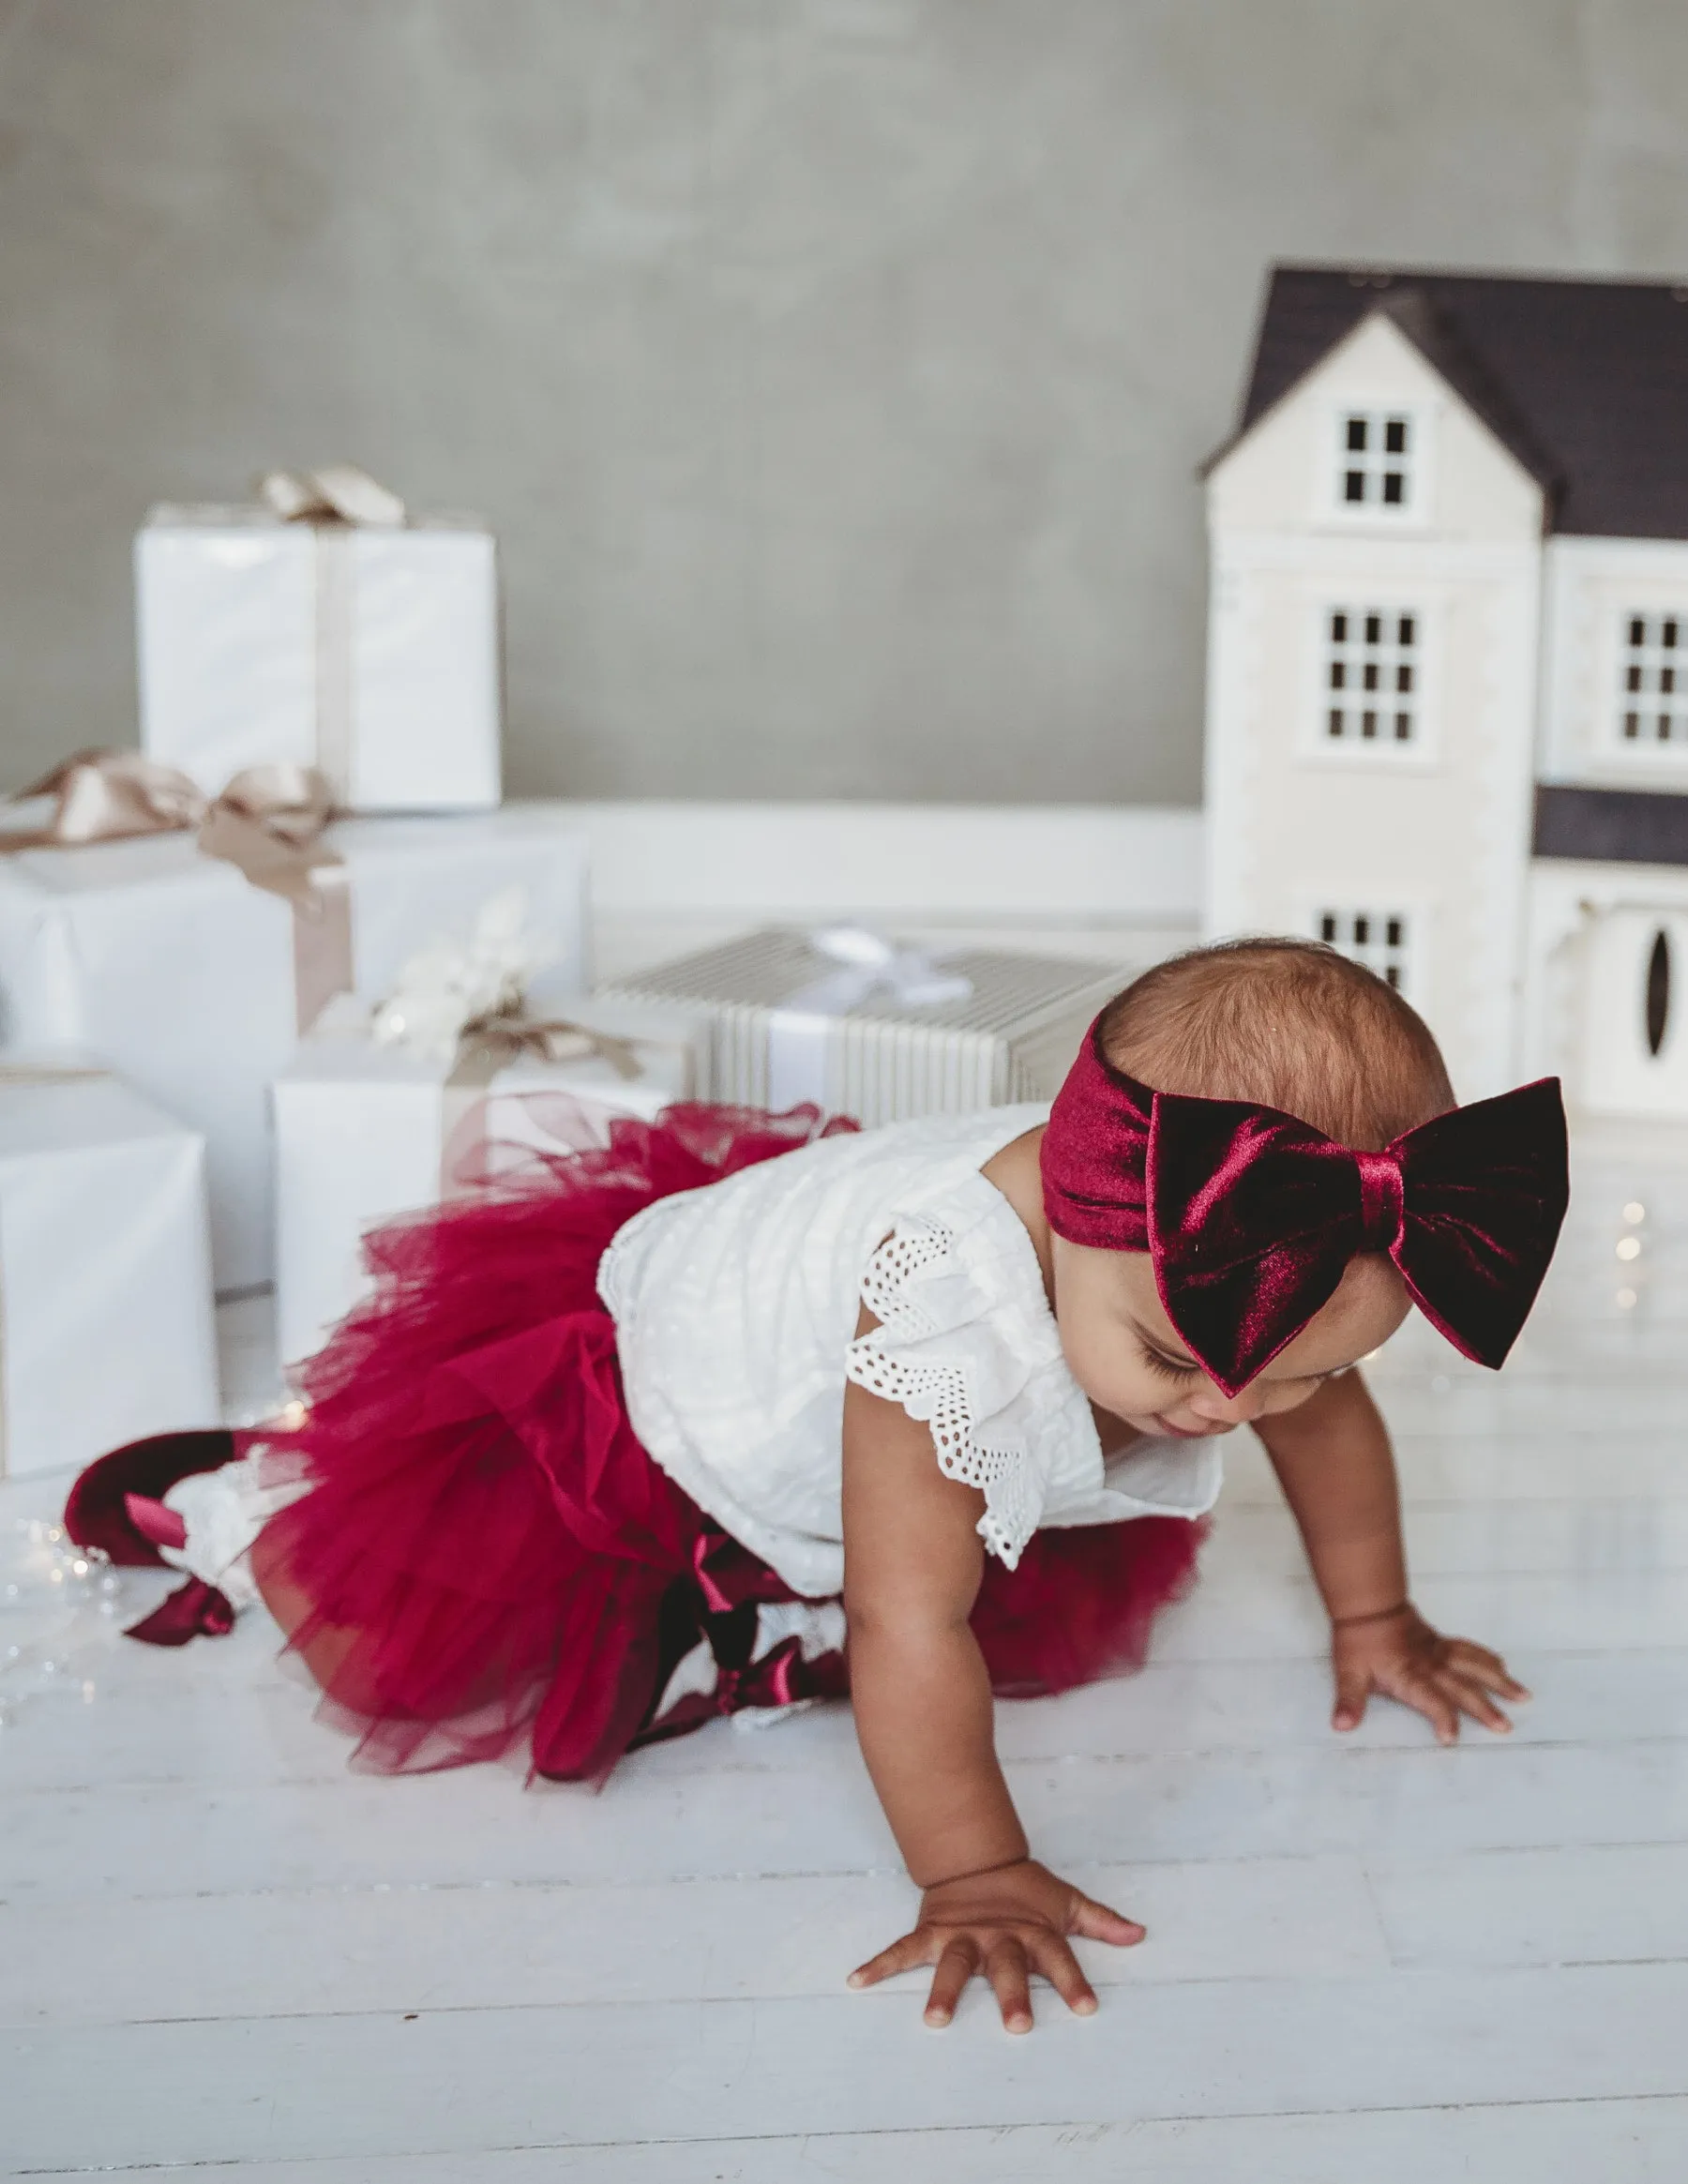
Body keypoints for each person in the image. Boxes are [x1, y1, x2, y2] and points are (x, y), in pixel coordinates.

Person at [66, 939, 1569, 2034]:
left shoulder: (1242, 1302)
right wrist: (973, 1870)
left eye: (1296, 1369)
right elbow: (910, 1617)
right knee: (405, 1640)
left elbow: (1319, 1417)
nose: (1233, 1408)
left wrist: (1376, 1614)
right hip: (689, 1398)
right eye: (1184, 1360)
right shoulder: (932, 1311)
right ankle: (260, 1510)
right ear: (1062, 1205)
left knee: (1063, 1533)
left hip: (912, 1403)